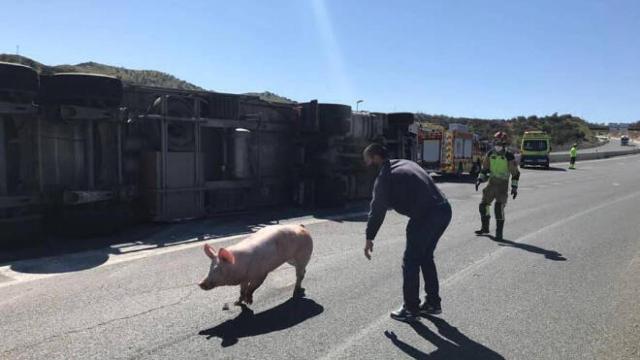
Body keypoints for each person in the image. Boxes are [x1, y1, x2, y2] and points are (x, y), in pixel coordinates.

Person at [363, 143, 452, 323]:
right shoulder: (405, 163)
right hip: (444, 209)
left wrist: (369, 237)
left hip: (426, 216)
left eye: (367, 160)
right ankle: (433, 303)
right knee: (426, 257)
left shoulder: (385, 177)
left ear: (375, 158)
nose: (366, 165)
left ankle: (411, 309)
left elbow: (377, 210)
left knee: (411, 261)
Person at [475, 132, 520, 241]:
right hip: (491, 183)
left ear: (504, 143)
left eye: (499, 142)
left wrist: (514, 188)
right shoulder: (490, 154)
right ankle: (485, 228)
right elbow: (485, 168)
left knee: (498, 208)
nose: (497, 144)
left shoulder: (509, 156)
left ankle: (499, 234)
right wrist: (480, 179)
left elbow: (515, 173)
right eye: (496, 142)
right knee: (483, 206)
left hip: (502, 185)